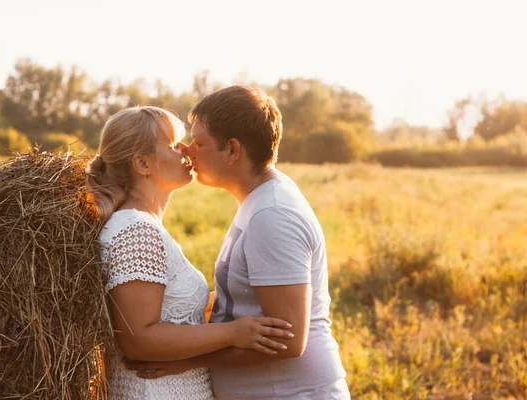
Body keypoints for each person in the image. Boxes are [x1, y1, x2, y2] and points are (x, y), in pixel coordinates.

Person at [126, 87, 350, 399]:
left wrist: (188, 360)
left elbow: (288, 339)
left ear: (232, 150)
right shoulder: (258, 201)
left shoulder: (272, 214)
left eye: (199, 142)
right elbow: (248, 296)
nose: (188, 150)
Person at [85, 106, 294, 399]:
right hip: (153, 391)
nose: (185, 149)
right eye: (173, 145)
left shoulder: (145, 226)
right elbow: (138, 339)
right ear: (143, 163)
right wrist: (233, 333)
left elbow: (164, 310)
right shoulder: (135, 229)